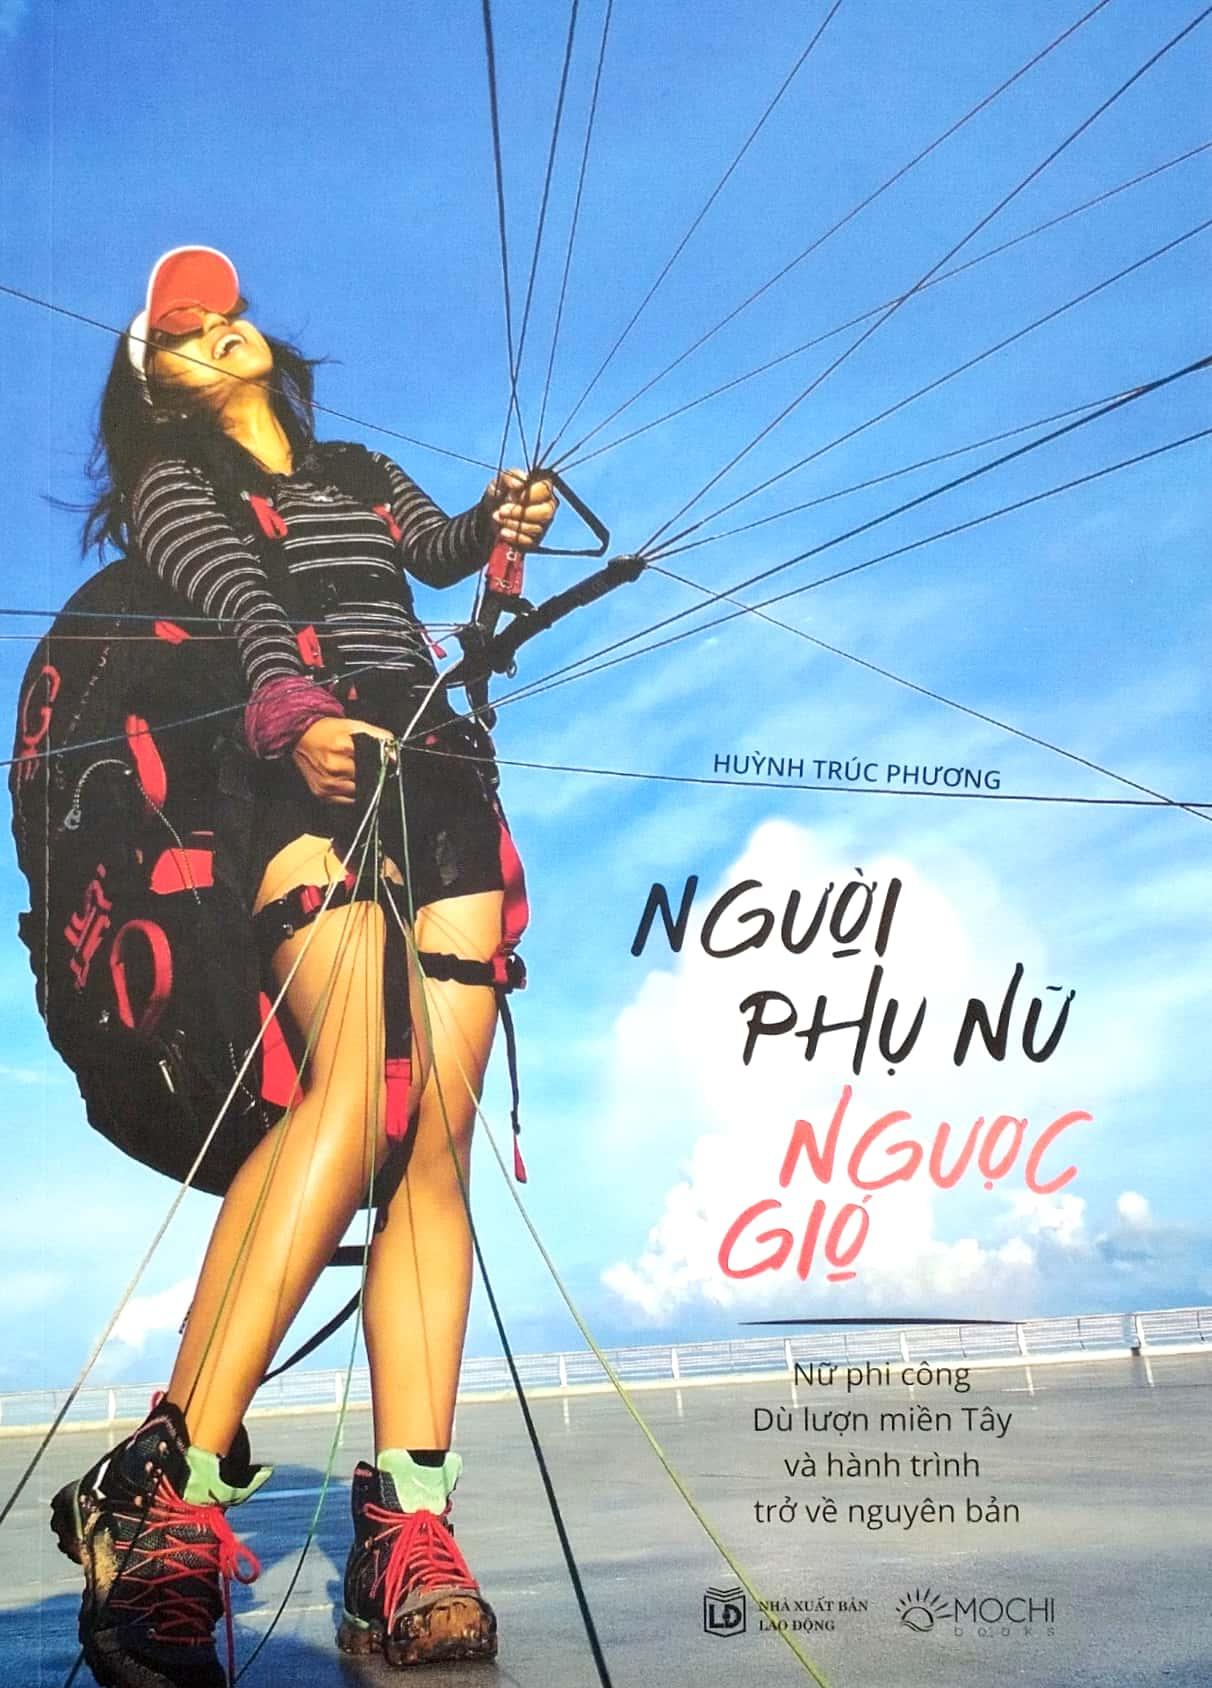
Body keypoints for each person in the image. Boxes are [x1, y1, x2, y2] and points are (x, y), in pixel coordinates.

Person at [50, 247, 556, 1686]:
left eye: (226, 313)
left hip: (439, 765)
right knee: (345, 1095)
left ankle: (409, 1524)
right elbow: (244, 610)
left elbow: (433, 553)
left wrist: (498, 522)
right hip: (296, 779)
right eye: (181, 332)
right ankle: (175, 1501)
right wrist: (291, 717)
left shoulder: (358, 470)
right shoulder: (176, 484)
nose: (216, 331)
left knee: (437, 1133)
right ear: (157, 387)